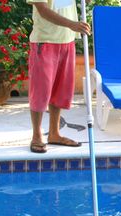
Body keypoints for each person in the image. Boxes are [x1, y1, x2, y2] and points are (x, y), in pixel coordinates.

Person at [27, 0, 91, 153]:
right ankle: (37, 135)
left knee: (59, 91)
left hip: (67, 41)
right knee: (40, 91)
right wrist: (72, 24)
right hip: (44, 41)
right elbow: (42, 10)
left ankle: (54, 134)